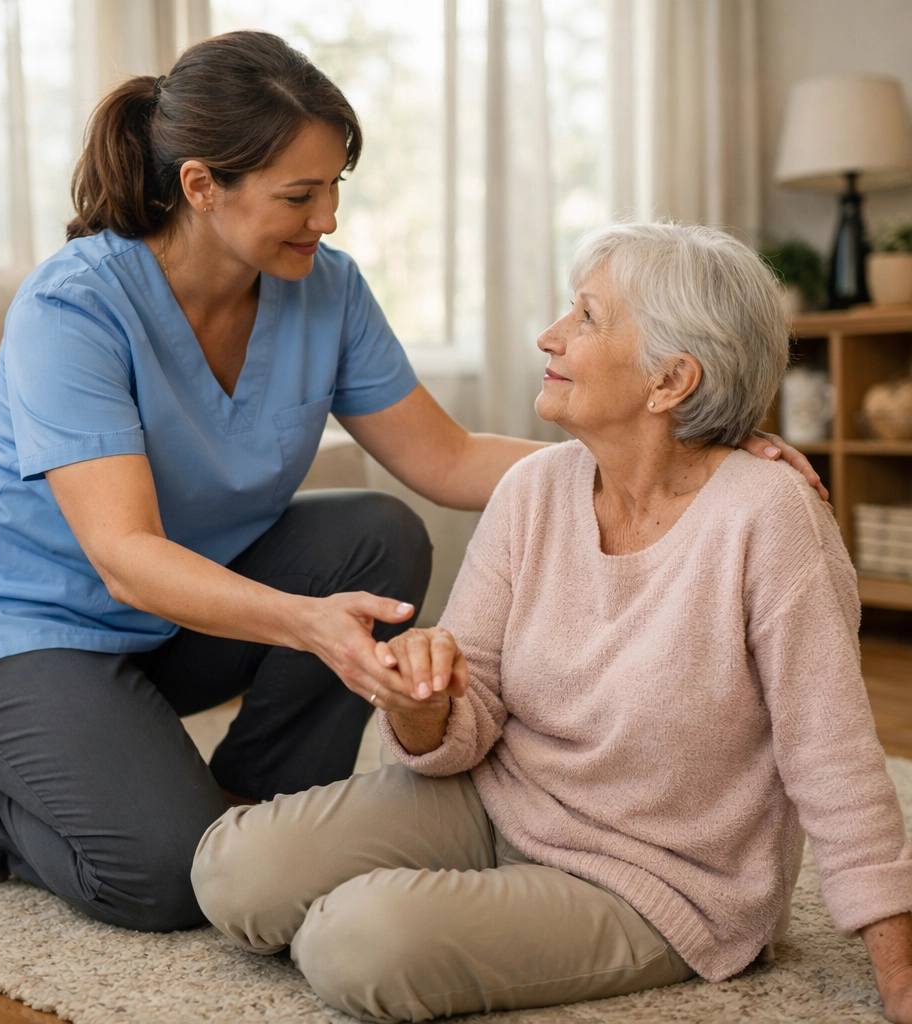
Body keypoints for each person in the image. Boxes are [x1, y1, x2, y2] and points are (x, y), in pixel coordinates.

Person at [0, 32, 820, 933]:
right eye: (299, 195)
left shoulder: (326, 289)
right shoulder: (74, 306)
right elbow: (125, 557)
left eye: (336, 185)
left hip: (175, 625)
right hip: (12, 630)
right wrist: (307, 622)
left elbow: (446, 459)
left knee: (377, 534)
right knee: (166, 882)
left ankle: (251, 805)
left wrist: (686, 453)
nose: (329, 217)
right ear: (201, 185)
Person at [191, 222, 912, 1024]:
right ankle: (483, 899)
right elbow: (469, 713)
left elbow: (833, 758)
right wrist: (422, 702)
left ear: (671, 380)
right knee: (233, 870)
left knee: (353, 942)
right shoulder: (534, 488)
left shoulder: (769, 517)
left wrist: (901, 975)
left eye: (588, 317)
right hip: (502, 799)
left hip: (658, 878)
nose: (550, 335)